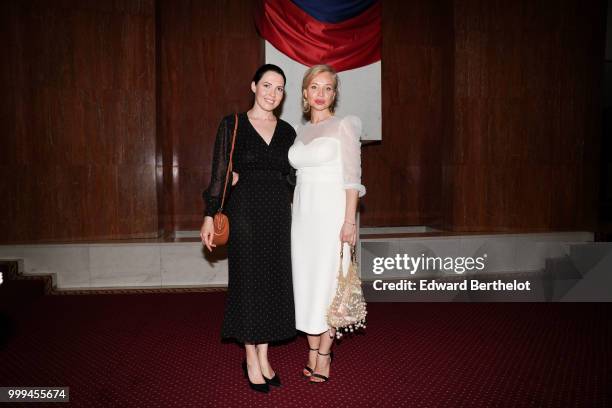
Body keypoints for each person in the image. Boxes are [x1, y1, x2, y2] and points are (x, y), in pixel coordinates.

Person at [200, 64, 296, 393]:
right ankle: (251, 356)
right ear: (253, 85)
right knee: (249, 281)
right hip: (245, 212)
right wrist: (210, 214)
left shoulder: (287, 132)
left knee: (272, 281)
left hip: (278, 215)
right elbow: (219, 173)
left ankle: (265, 354)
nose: (272, 93)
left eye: (279, 88)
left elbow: (293, 177)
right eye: (267, 85)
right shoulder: (234, 124)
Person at [289, 64, 366, 383]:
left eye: (327, 88)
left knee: (330, 285)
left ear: (334, 94)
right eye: (314, 88)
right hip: (302, 216)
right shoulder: (299, 131)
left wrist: (350, 221)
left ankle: (324, 353)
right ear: (305, 93)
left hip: (332, 216)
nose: (321, 94)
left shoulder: (344, 126)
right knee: (306, 284)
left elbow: (352, 179)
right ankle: (311, 349)